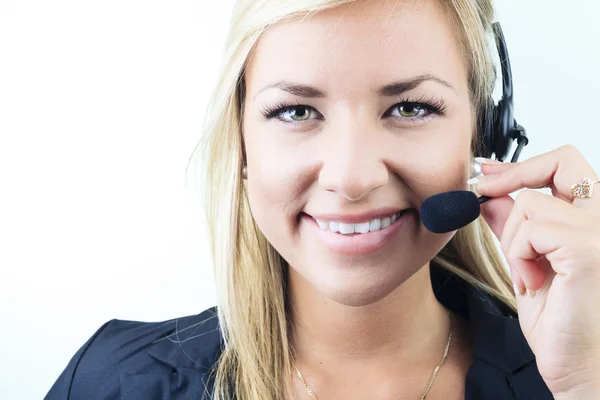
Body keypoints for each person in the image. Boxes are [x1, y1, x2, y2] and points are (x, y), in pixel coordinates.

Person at [45, 0, 600, 399]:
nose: (352, 178)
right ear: (241, 147)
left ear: (484, 138)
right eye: (295, 111)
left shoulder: (572, 369)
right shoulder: (113, 382)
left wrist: (583, 382)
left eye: (410, 107)